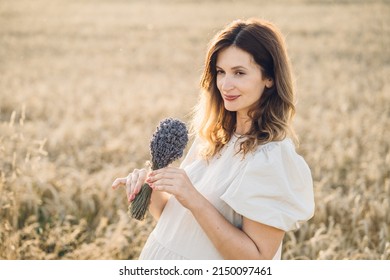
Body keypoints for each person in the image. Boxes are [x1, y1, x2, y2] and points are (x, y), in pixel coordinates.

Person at [112, 18, 315, 260]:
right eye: (220, 72)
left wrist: (193, 198)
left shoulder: (271, 158)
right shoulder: (213, 137)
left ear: (269, 78)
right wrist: (151, 188)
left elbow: (257, 260)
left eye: (239, 73)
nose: (226, 85)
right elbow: (177, 222)